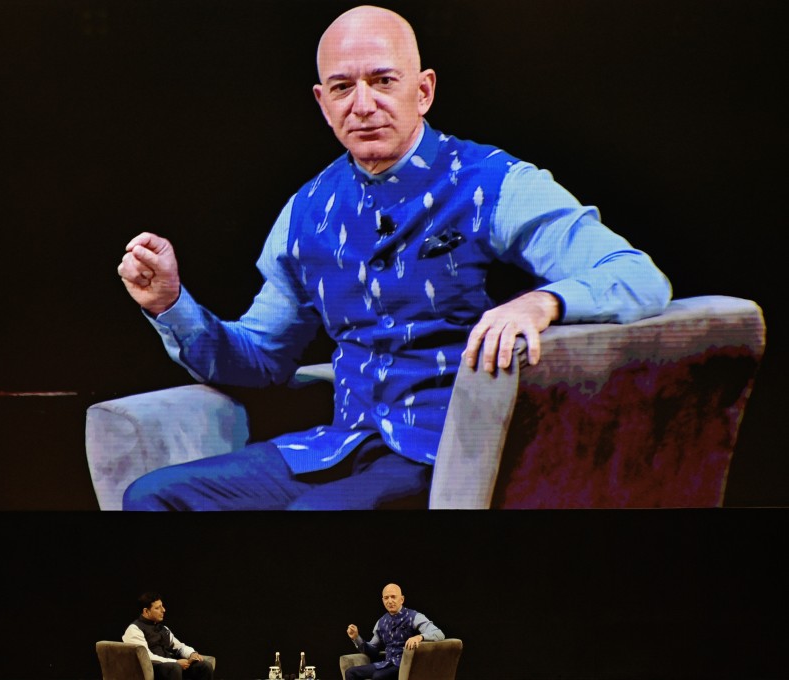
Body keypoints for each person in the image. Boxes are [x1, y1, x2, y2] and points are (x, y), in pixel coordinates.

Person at [116, 5, 671, 510]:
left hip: (451, 456)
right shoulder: (307, 211)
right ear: (322, 103)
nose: (363, 105)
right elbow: (262, 358)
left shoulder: (494, 184)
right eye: (342, 88)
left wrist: (541, 303)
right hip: (344, 444)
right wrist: (172, 304)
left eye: (383, 81)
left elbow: (636, 276)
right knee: (153, 497)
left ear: (423, 91)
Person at [345, 583, 445, 680]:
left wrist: (419, 637)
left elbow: (439, 634)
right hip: (387, 664)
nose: (390, 601)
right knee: (350, 672)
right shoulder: (381, 622)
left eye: (393, 597)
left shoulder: (414, 616)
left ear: (402, 599)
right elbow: (373, 650)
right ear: (383, 600)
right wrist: (356, 638)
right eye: (386, 598)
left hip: (405, 665)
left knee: (378, 676)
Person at [122, 592, 213, 680]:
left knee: (204, 666)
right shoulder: (134, 629)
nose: (163, 610)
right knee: (174, 668)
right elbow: (146, 657)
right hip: (153, 669)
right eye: (158, 608)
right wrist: (176, 662)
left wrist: (192, 653)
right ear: (146, 611)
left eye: (162, 606)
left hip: (171, 666)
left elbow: (178, 646)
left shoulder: (163, 628)